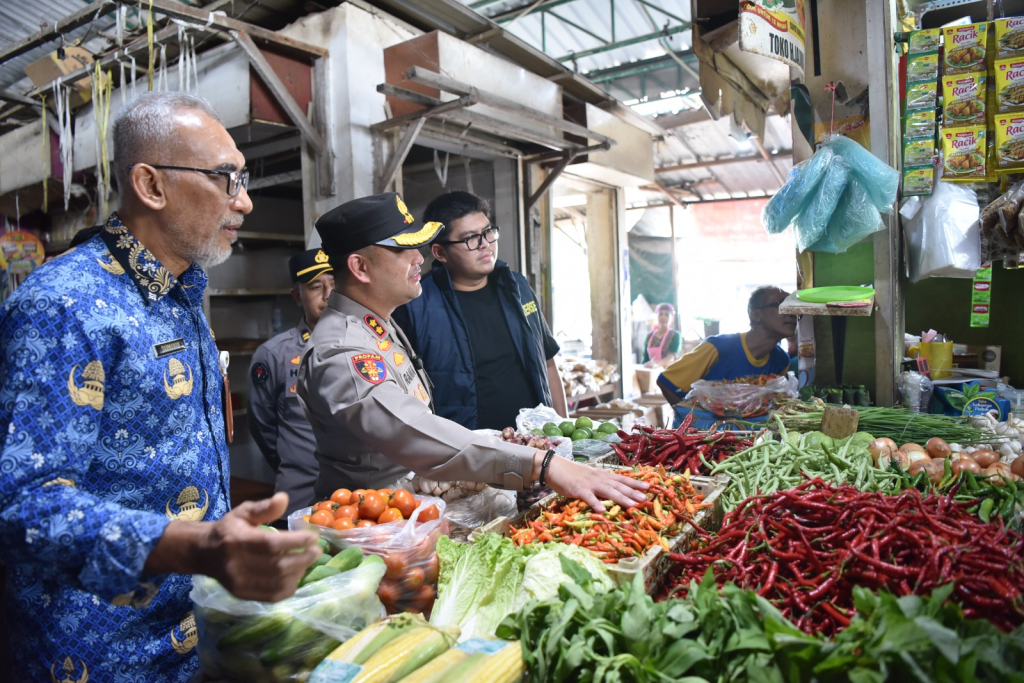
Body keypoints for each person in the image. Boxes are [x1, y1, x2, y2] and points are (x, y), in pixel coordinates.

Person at [0, 92, 321, 682]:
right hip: (100, 657)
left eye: (243, 180)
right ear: (150, 185)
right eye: (226, 179)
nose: (244, 202)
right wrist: (198, 547)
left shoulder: (181, 290)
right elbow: (21, 506)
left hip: (194, 636)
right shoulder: (63, 305)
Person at [296, 192, 647, 513]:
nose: (419, 258)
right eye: (405, 249)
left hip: (409, 506)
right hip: (371, 521)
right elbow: (413, 431)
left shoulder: (379, 322)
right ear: (360, 267)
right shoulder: (342, 350)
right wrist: (542, 465)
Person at [392, 190, 566, 431]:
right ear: (440, 252)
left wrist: (564, 430)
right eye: (470, 238)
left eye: (487, 232)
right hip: (468, 455)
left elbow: (547, 362)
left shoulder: (517, 287)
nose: (485, 244)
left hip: (537, 442)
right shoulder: (415, 305)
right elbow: (405, 392)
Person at [249, 248, 336, 517]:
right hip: (301, 496)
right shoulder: (274, 354)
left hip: (357, 496)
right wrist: (295, 461)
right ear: (297, 296)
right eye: (315, 287)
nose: (328, 295)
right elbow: (263, 426)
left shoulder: (367, 346)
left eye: (335, 284)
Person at [658, 286, 796, 427]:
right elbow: (666, 382)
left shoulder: (781, 360)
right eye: (781, 305)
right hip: (701, 441)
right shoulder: (719, 347)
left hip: (746, 440)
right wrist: (701, 420)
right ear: (756, 314)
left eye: (792, 307)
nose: (791, 313)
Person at [641, 302, 682, 369]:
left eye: (666, 315)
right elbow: (645, 359)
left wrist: (657, 364)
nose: (663, 317)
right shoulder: (649, 337)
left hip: (668, 374)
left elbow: (671, 357)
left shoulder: (675, 336)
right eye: (660, 314)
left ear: (671, 318)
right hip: (651, 373)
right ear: (656, 316)